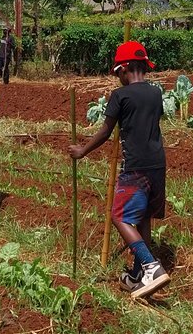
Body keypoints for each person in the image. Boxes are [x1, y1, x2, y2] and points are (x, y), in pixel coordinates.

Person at [68, 41, 170, 300]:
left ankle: (151, 267)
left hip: (134, 167)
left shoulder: (120, 96)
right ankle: (138, 276)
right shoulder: (156, 92)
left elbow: (105, 131)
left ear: (124, 69)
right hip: (157, 165)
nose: (117, 79)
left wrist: (82, 150)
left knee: (120, 217)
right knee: (143, 218)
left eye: (117, 73)